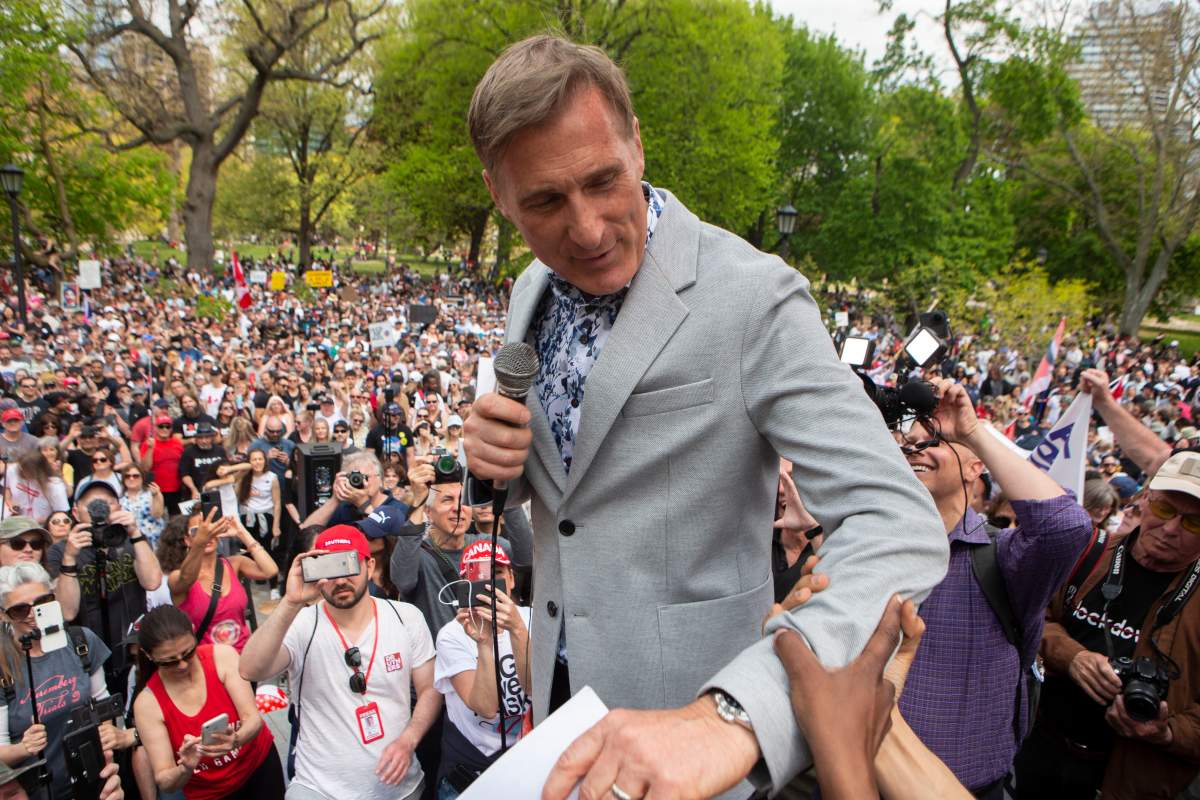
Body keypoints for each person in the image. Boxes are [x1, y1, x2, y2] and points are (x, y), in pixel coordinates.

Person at [463, 35, 946, 797]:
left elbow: (898, 523)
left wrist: (733, 716)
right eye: (546, 202)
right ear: (499, 192)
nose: (585, 229)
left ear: (637, 144)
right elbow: (572, 492)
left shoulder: (756, 296)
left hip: (695, 743)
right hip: (555, 717)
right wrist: (494, 457)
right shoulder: (532, 287)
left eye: (603, 180)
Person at [892, 378, 1093, 797]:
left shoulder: (1003, 557)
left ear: (974, 466)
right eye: (907, 443)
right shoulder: (872, 547)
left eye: (934, 441)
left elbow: (1066, 526)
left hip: (969, 788)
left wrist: (970, 432)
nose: (916, 450)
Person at [1014, 449, 1200, 799]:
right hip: (1040, 750)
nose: (1171, 528)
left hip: (1129, 781)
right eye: (1163, 509)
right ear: (1143, 500)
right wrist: (1073, 657)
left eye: (1193, 523)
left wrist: (1167, 732)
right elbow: (1033, 615)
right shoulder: (1088, 552)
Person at [239, 525, 441, 800]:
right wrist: (290, 602)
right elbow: (250, 669)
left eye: (347, 564)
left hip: (400, 788)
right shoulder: (301, 623)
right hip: (319, 789)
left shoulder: (406, 617)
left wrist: (409, 740)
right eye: (328, 567)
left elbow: (430, 689)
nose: (340, 579)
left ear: (369, 566)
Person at [132, 605, 282, 800]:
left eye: (188, 653)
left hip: (258, 768)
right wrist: (185, 767)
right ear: (149, 655)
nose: (182, 665)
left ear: (194, 631)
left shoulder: (222, 656)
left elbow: (252, 719)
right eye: (169, 662)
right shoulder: (147, 704)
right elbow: (164, 779)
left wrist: (235, 740)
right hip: (210, 793)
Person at [0, 563, 123, 799]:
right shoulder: (4, 664)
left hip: (92, 782)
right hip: (36, 790)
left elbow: (103, 706)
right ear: (4, 614)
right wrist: (22, 749)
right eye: (19, 610)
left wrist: (108, 740)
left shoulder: (81, 642)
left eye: (41, 603)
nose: (33, 615)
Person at [433, 542, 530, 795]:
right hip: (472, 766)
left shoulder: (533, 618)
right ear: (466, 584)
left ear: (510, 578)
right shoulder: (452, 635)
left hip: (527, 758)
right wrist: (484, 643)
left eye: (497, 573)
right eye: (479, 575)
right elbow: (485, 708)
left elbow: (534, 688)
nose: (489, 583)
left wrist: (518, 630)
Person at [47, 482, 163, 692]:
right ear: (75, 511)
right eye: (92, 504)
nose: (100, 510)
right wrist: (70, 557)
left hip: (132, 649)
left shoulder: (129, 539)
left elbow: (152, 581)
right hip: (88, 655)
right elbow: (67, 611)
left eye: (108, 503)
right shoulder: (60, 551)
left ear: (119, 507)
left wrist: (135, 532)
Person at [158, 509, 278, 652]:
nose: (207, 535)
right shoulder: (177, 577)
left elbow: (270, 570)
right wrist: (199, 544)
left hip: (242, 658)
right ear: (187, 540)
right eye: (198, 531)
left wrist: (242, 532)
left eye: (212, 529)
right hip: (207, 662)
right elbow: (186, 578)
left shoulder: (234, 564)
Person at [4, 448, 68, 525]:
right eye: (20, 467)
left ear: (38, 472)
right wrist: (9, 502)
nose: (21, 471)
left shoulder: (55, 485)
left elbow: (61, 514)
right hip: (15, 523)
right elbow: (7, 487)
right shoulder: (13, 469)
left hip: (41, 527)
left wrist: (32, 522)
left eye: (26, 470)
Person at [139, 414, 185, 514]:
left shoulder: (177, 443)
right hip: (157, 489)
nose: (164, 429)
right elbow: (145, 467)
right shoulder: (148, 444)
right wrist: (150, 448)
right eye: (161, 426)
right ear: (155, 428)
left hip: (177, 489)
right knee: (156, 517)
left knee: (176, 519)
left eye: (168, 426)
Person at [118, 463, 166, 549]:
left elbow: (157, 514)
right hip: (130, 544)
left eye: (135, 476)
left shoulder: (152, 493)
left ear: (142, 478)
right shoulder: (119, 500)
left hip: (153, 541)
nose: (131, 478)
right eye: (127, 476)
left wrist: (155, 496)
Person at [179, 422, 228, 503]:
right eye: (200, 438)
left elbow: (227, 469)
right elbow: (185, 474)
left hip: (218, 490)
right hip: (197, 491)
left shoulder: (220, 450)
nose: (204, 441)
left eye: (207, 437)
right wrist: (193, 489)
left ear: (212, 437)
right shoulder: (189, 452)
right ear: (196, 438)